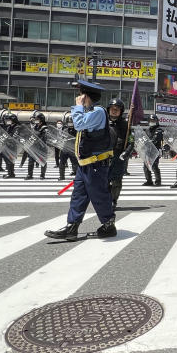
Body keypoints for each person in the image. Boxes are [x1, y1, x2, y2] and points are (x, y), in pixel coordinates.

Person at [44, 79, 116, 241]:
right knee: (78, 196)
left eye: (80, 95)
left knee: (99, 196)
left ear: (85, 96)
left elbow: (79, 124)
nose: (78, 97)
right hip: (85, 165)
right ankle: (72, 227)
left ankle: (108, 225)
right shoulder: (90, 112)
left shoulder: (98, 112)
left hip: (96, 164)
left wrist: (77, 106)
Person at [106, 98, 132, 207]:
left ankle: (113, 200)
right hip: (104, 156)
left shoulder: (125, 125)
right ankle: (105, 200)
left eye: (117, 109)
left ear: (121, 111)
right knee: (104, 180)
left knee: (117, 180)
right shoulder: (102, 122)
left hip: (119, 156)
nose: (114, 111)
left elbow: (131, 141)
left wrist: (126, 152)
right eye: (112, 109)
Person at [25, 111, 48, 180]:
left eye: (37, 119)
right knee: (30, 161)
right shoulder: (35, 127)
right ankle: (30, 174)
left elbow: (45, 138)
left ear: (41, 120)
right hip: (33, 147)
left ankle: (42, 175)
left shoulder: (44, 128)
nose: (36, 121)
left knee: (42, 161)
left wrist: (39, 140)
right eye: (35, 119)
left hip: (41, 148)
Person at [142, 114, 164, 186]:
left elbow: (156, 139)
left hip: (155, 150)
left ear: (157, 121)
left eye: (153, 120)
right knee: (146, 166)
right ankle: (149, 180)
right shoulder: (148, 130)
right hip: (147, 150)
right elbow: (144, 138)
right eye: (151, 121)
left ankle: (158, 181)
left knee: (154, 166)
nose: (152, 122)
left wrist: (150, 142)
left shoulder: (159, 129)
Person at [57, 111, 79, 181]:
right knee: (62, 163)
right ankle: (61, 176)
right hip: (65, 148)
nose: (70, 123)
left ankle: (77, 176)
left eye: (71, 122)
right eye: (69, 122)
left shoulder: (77, 130)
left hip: (73, 149)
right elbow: (61, 137)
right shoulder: (65, 129)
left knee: (75, 163)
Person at [0, 112, 18, 179]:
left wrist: (7, 138)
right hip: (7, 146)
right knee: (7, 160)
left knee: (10, 160)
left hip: (12, 146)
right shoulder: (9, 127)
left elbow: (14, 137)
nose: (7, 121)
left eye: (8, 120)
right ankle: (10, 173)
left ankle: (11, 174)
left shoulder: (17, 127)